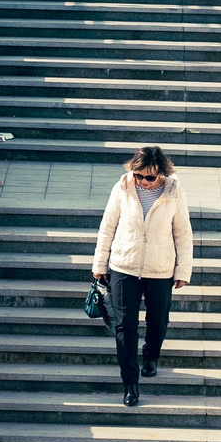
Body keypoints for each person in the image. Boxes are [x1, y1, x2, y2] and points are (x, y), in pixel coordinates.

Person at [89, 145, 192, 407]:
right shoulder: (122, 188)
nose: (143, 182)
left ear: (162, 173)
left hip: (160, 268)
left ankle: (151, 356)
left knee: (158, 321)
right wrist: (100, 264)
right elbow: (107, 227)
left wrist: (183, 270)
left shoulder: (174, 191)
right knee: (125, 326)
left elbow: (183, 232)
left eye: (150, 177)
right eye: (138, 175)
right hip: (124, 266)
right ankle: (130, 384)